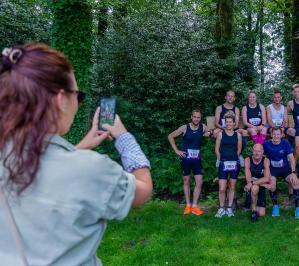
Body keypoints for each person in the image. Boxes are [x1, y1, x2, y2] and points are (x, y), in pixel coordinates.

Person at [0, 44, 153, 266]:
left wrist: (80, 147)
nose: (77, 104)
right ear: (60, 100)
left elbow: (45, 166)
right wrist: (123, 137)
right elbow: (143, 190)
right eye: (78, 95)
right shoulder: (92, 170)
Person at [168, 110, 210, 215]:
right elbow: (170, 136)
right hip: (186, 158)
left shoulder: (203, 127)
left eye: (198, 117)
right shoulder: (185, 127)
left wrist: (210, 133)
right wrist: (176, 151)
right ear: (191, 117)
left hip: (197, 159)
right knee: (186, 181)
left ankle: (195, 206)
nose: (196, 119)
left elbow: (210, 133)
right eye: (195, 117)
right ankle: (187, 205)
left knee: (199, 182)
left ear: (200, 118)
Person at [263, 127, 299, 219]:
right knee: (272, 185)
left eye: (278, 134)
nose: (276, 136)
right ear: (271, 135)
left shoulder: (285, 143)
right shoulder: (266, 144)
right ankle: (275, 206)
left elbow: (291, 158)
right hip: (272, 170)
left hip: (285, 169)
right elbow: (262, 156)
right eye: (274, 134)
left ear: (281, 135)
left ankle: (298, 209)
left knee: (295, 182)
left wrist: (293, 172)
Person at [215, 114, 242, 218]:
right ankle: (221, 208)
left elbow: (239, 149)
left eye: (230, 122)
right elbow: (217, 149)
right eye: (227, 122)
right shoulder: (221, 134)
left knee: (232, 186)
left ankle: (229, 208)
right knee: (222, 188)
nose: (228, 124)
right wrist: (219, 159)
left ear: (234, 123)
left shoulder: (238, 135)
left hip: (234, 163)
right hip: (223, 162)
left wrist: (235, 158)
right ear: (224, 123)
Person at [213, 90, 246, 166]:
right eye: (229, 96)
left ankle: (239, 154)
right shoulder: (219, 108)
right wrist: (225, 129)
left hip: (233, 128)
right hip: (222, 128)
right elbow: (216, 123)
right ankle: (219, 156)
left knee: (243, 133)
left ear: (234, 98)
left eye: (232, 96)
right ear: (226, 97)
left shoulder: (236, 109)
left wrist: (231, 130)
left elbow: (237, 124)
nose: (230, 97)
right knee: (215, 133)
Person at [244, 144, 271, 222]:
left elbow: (267, 178)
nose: (257, 153)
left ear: (262, 152)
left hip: (259, 186)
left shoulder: (266, 160)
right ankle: (253, 211)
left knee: (262, 213)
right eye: (255, 151)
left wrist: (254, 182)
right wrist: (259, 182)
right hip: (251, 187)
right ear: (252, 151)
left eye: (259, 151)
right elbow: (248, 179)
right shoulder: (247, 160)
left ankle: (251, 203)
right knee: (255, 188)